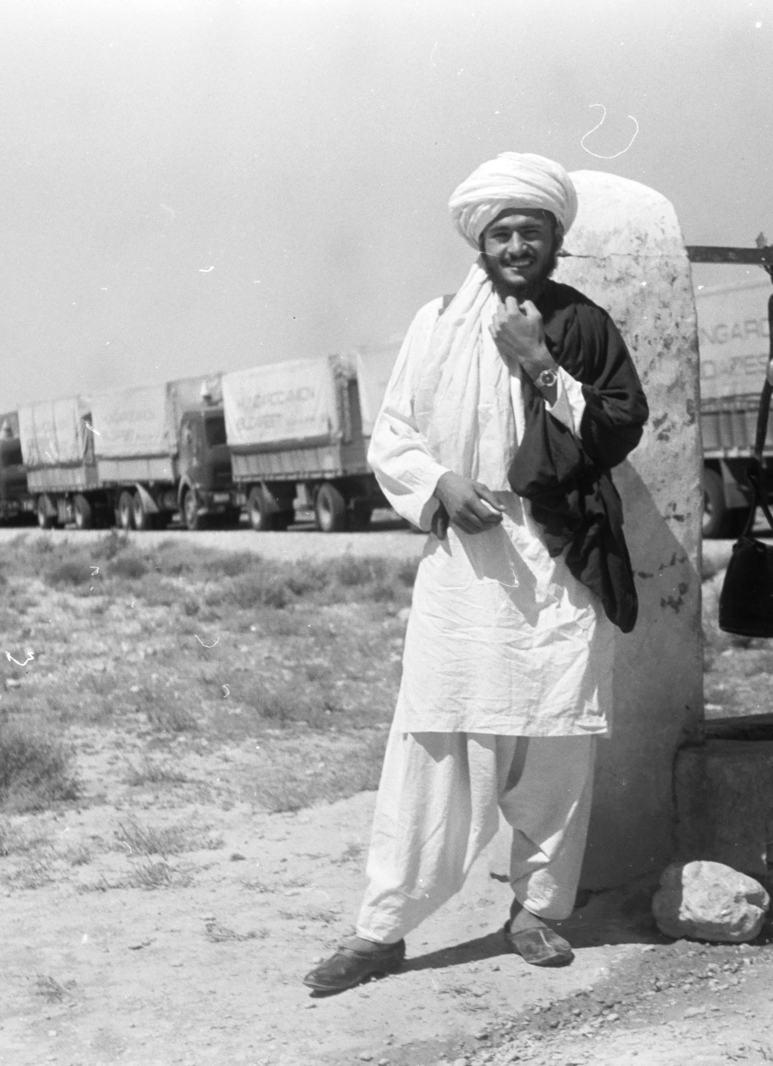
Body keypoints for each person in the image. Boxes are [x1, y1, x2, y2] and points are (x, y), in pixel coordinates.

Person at [303, 152, 649, 993]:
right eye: (504, 231)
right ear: (482, 241)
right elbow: (393, 434)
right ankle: (383, 929)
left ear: (555, 239)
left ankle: (537, 911)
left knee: (556, 743)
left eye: (534, 229)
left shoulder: (583, 324)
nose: (519, 242)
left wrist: (537, 361)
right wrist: (440, 486)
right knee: (434, 739)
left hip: (559, 554)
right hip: (464, 553)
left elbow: (617, 427)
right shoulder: (436, 322)